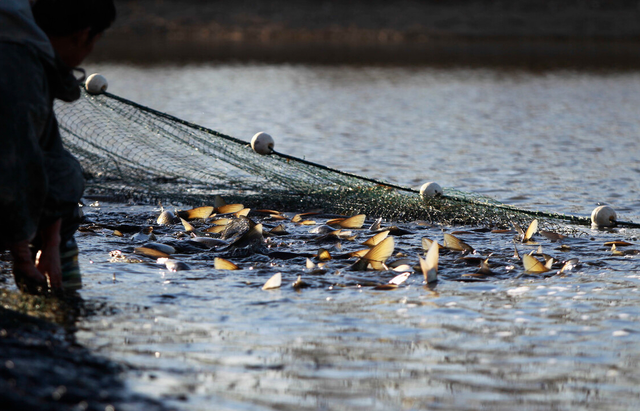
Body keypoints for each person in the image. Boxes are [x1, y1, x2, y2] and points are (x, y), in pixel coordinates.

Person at [0, 0, 116, 294]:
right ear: (83, 36)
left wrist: (49, 245)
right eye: (95, 42)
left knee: (65, 179)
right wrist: (22, 258)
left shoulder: (26, 43)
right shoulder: (17, 67)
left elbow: (49, 155)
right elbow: (14, 168)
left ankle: (63, 298)